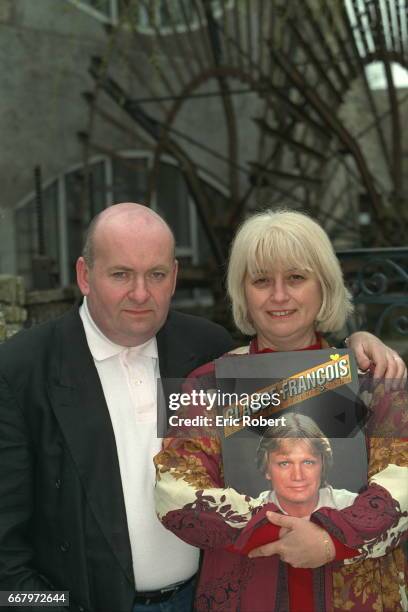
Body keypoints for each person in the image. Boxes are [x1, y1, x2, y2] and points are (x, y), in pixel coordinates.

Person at [0, 203, 402, 612]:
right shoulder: (19, 369)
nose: (140, 293)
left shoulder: (203, 348)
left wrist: (359, 347)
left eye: (156, 274)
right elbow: (4, 552)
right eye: (121, 274)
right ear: (85, 275)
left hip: (205, 597)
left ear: (174, 277)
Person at [154, 209, 408, 612]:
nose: (278, 295)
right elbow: (175, 490)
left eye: (296, 278)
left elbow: (402, 483)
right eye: (260, 281)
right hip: (244, 593)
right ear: (243, 292)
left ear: (323, 285)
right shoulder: (207, 384)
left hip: (360, 595)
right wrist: (274, 528)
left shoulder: (373, 380)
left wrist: (329, 539)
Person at [257, 414, 357, 518]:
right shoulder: (247, 515)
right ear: (267, 469)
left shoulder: (355, 508)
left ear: (322, 465)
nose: (298, 476)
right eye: (284, 464)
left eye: (308, 462)